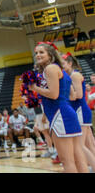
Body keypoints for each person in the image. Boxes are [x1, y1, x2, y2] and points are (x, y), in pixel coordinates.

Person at [29, 42, 88, 173]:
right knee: (78, 158)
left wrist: (34, 88)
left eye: (41, 52)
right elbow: (72, 96)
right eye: (36, 53)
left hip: (60, 115)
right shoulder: (61, 70)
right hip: (68, 113)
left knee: (67, 161)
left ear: (50, 55)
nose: (38, 55)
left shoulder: (50, 69)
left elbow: (54, 94)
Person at [62, 53, 95, 171]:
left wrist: (63, 96)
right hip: (81, 110)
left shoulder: (75, 75)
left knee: (80, 146)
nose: (61, 66)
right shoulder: (70, 75)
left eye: (63, 64)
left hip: (80, 111)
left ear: (70, 63)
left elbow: (79, 95)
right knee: (89, 143)